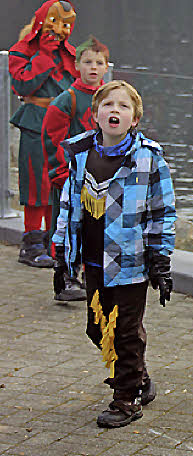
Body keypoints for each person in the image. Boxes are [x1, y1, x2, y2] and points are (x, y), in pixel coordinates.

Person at [53, 80, 176, 428]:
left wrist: (160, 261)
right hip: (91, 260)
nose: (115, 111)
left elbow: (162, 211)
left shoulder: (148, 159)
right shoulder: (80, 155)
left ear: (135, 118)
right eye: (108, 105)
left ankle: (126, 399)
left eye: (123, 106)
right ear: (95, 114)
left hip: (130, 263)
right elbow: (67, 206)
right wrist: (62, 256)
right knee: (98, 328)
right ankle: (138, 378)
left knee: (124, 330)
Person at [9, 0, 78, 268]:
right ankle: (31, 244)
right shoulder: (21, 50)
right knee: (36, 184)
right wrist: (44, 57)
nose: (59, 29)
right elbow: (22, 86)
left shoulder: (69, 53)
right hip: (35, 122)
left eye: (65, 25)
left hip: (63, 126)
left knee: (58, 184)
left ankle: (53, 242)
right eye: (54, 22)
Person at [42, 35, 110, 301]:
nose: (93, 67)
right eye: (88, 62)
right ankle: (65, 280)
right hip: (70, 177)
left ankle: (88, 277)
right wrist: (61, 172)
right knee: (67, 228)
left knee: (95, 227)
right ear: (77, 65)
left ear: (106, 66)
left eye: (99, 62)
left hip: (100, 176)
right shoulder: (66, 100)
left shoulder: (109, 98)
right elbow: (52, 138)